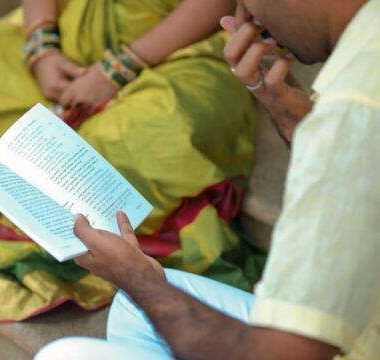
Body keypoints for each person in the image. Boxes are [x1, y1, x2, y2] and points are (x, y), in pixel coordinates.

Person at [35, 0, 380, 358]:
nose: (245, 12)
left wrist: (136, 278)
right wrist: (293, 121)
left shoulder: (356, 107)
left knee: (62, 355)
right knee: (131, 309)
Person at [0, 0, 261, 324]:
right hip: (69, 29)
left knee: (140, 142)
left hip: (182, 49)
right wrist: (42, 44)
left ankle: (51, 237)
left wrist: (118, 69)